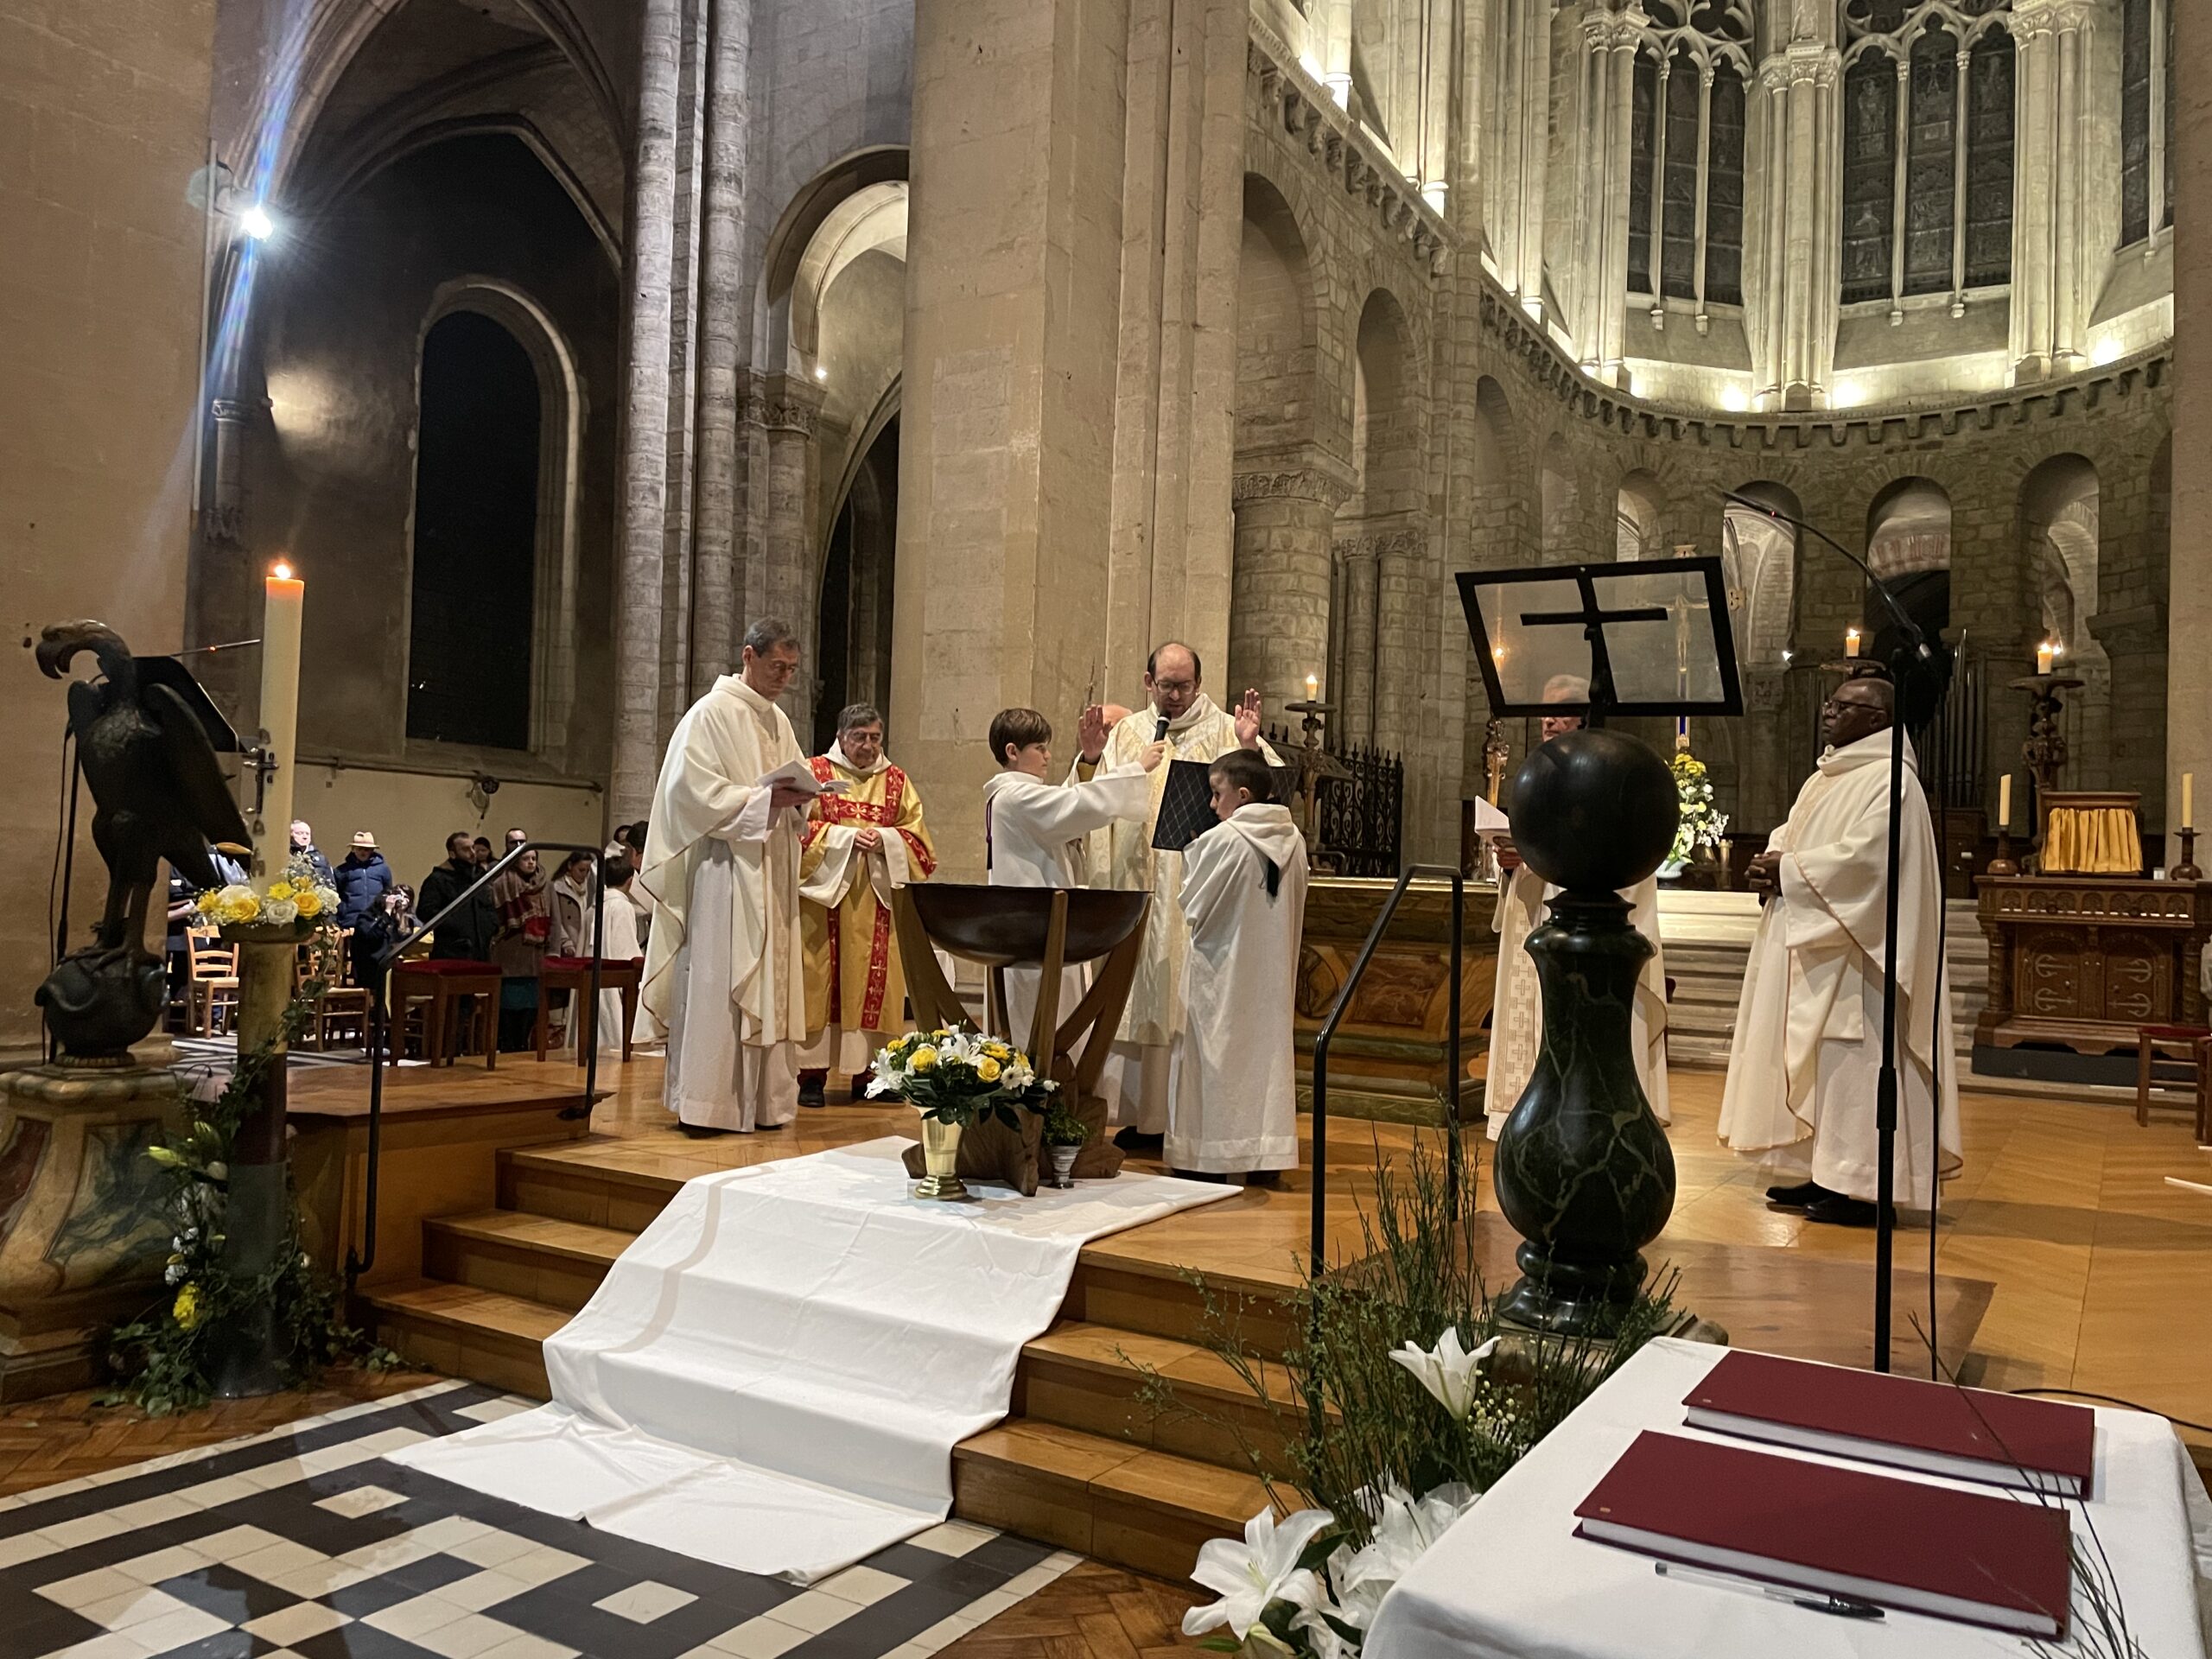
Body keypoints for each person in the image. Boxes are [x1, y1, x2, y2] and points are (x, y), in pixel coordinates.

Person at [1718, 670, 1961, 1227]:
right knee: (1825, 1064)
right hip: (1819, 941)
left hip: (1862, 958)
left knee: (1857, 1064)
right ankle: (1826, 1172)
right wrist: (1771, 863)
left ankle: (1865, 1187)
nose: (1828, 712)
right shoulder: (1825, 777)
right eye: (1830, 703)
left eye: (1844, 706)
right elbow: (1795, 834)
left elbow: (1869, 860)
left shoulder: (1893, 781)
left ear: (1878, 720)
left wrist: (1791, 871)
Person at [1071, 643, 1275, 1150]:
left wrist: (1250, 746)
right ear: (1149, 683)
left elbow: (1269, 795)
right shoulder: (1128, 733)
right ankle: (1139, 1116)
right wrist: (1092, 760)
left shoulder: (1227, 731)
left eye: (1185, 686)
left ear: (1199, 684)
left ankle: (1179, 1118)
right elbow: (1086, 804)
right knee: (1134, 993)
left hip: (1195, 891)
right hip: (1135, 885)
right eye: (1167, 686)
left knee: (1181, 1000)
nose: (1176, 695)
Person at [639, 617, 815, 1135]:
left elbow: (795, 785)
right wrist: (762, 800)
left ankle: (764, 1105)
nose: (784, 677)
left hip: (770, 867)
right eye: (777, 666)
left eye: (792, 669)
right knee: (719, 983)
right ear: (748, 656)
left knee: (768, 981)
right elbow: (688, 794)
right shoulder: (709, 714)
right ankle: (709, 1104)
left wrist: (799, 799)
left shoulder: (778, 721)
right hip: (723, 872)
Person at [1485, 677, 1670, 1138]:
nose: (1548, 719)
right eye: (1544, 711)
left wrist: (1535, 859)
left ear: (1586, 716)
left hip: (1593, 931)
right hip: (1542, 924)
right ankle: (1529, 1120)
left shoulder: (1611, 773)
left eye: (1561, 711)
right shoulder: (1541, 775)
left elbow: (1608, 861)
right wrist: (1512, 865)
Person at [1167, 750, 1308, 1184]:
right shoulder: (1295, 840)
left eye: (1217, 793)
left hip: (1223, 977)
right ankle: (1264, 1159)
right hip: (1271, 978)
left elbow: (1193, 905)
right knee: (1265, 1060)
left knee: (1216, 1057)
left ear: (1243, 794)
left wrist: (1193, 848)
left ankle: (1209, 1158)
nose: (1212, 805)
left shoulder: (1223, 840)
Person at [981, 706, 1157, 1047]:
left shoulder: (1013, 795)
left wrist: (1090, 759)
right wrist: (1137, 769)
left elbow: (1063, 803)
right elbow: (1076, 805)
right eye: (1039, 748)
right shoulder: (1016, 797)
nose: (1048, 756)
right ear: (1013, 752)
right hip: (1035, 934)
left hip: (1033, 930)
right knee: (1041, 1028)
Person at [797, 703, 938, 1105]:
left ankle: (872, 1076)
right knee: (818, 982)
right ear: (841, 737)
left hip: (877, 903)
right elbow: (794, 829)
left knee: (878, 987)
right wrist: (844, 838)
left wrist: (886, 840)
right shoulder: (815, 774)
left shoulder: (896, 781)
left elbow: (920, 841)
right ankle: (811, 1076)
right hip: (824, 903)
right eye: (859, 737)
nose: (868, 746)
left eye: (875, 738)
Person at [490, 846, 550, 1047]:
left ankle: (523, 1044)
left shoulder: (544, 885)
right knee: (509, 1005)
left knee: (530, 1005)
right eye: (526, 859)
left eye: (534, 858)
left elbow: (554, 917)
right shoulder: (501, 883)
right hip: (509, 951)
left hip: (535, 953)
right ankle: (508, 1045)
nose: (531, 862)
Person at [595, 853, 652, 1055]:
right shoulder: (622, 906)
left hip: (594, 972)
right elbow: (625, 950)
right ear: (630, 881)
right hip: (613, 975)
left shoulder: (594, 905)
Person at [420, 832, 497, 960]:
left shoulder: (479, 878)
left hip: (481, 950)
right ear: (452, 854)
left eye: (473, 848)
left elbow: (489, 906)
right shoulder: (438, 879)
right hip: (451, 951)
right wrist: (458, 928)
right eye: (466, 849)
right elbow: (426, 911)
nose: (472, 853)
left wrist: (491, 926)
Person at [334, 831, 394, 930]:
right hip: (350, 922)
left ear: (372, 851)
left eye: (367, 849)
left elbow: (388, 891)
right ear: (353, 849)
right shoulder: (342, 871)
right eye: (359, 848)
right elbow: (336, 895)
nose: (363, 852)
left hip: (375, 921)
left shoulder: (383, 869)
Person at [547, 850, 597, 959]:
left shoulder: (590, 888)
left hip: (585, 941)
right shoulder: (558, 888)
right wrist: (565, 941)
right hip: (568, 945)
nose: (584, 874)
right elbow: (555, 919)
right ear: (570, 866)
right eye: (581, 870)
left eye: (587, 871)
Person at [290, 820, 335, 885]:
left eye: (307, 834)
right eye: (300, 833)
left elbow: (331, 883)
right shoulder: (286, 856)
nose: (305, 837)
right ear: (291, 835)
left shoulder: (321, 859)